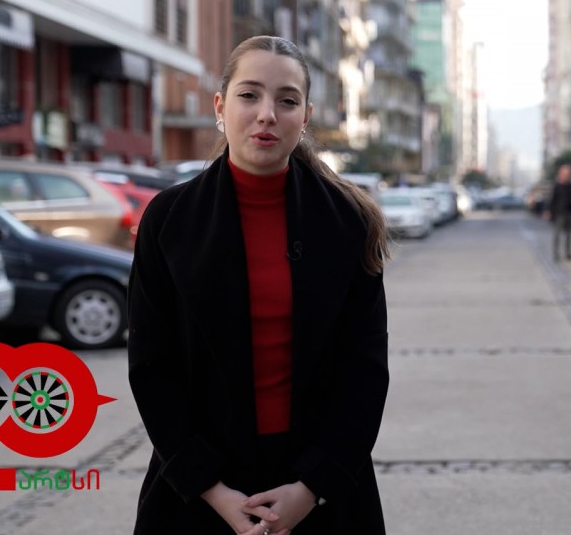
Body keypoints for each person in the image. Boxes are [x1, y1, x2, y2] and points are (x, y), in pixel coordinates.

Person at [128, 36, 391, 535]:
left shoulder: (347, 221)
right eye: (249, 95)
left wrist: (311, 488)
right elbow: (152, 367)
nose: (267, 114)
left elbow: (364, 372)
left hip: (323, 495)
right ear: (220, 107)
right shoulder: (168, 220)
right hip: (198, 496)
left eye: (286, 100)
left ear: (306, 116)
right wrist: (213, 490)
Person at [543, 163, 571, 260]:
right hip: (559, 213)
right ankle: (556, 254)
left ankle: (568, 253)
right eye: (564, 173)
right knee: (557, 234)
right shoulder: (557, 186)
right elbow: (552, 199)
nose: (566, 175)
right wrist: (548, 211)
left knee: (568, 234)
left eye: (568, 174)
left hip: (570, 212)